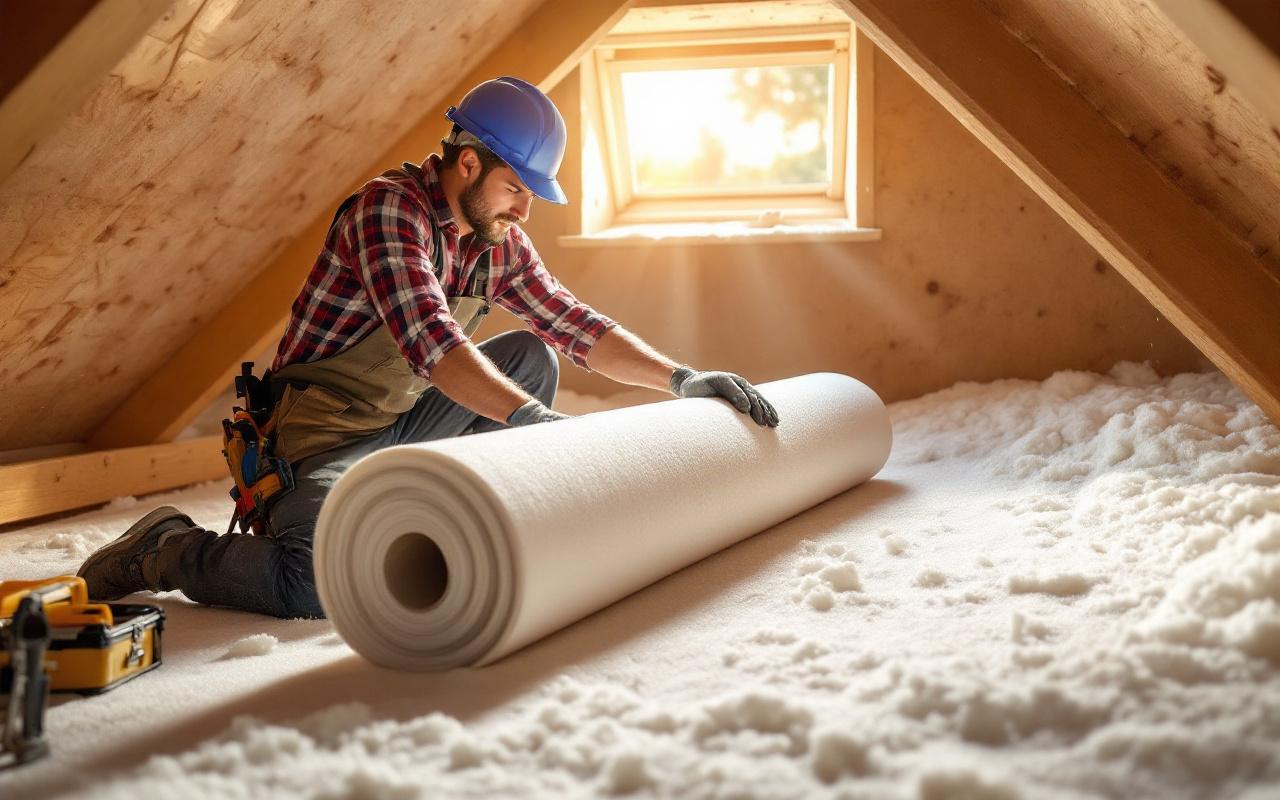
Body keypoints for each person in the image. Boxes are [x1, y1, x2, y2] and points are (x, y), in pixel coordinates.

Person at [77, 76, 779, 618]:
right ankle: (167, 549)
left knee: (532, 356)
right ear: (468, 164)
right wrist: (533, 422)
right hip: (317, 441)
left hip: (399, 424)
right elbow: (433, 345)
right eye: (516, 189)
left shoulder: (496, 241)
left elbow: (573, 323)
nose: (524, 210)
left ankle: (471, 519)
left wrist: (682, 378)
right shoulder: (387, 211)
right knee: (317, 585)